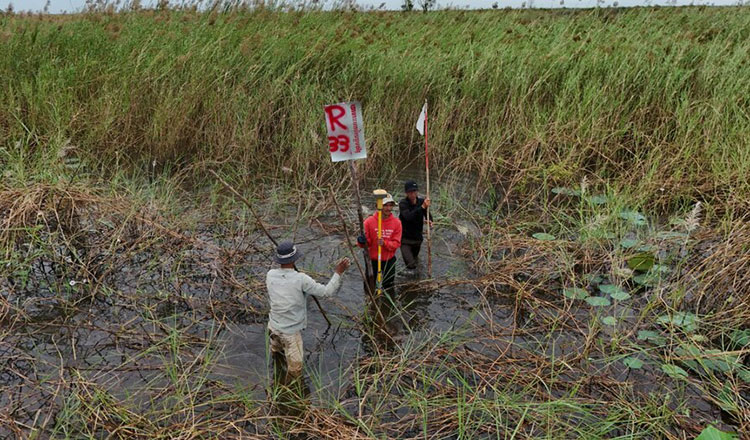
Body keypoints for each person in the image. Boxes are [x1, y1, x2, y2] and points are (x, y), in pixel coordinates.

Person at [266, 241, 350, 386]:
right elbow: (326, 292)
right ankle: (288, 394)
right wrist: (338, 273)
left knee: (276, 354)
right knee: (295, 370)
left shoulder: (270, 274)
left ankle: (275, 382)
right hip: (290, 333)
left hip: (273, 326)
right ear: (294, 259)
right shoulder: (301, 279)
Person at [357, 192, 402, 296]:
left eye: (390, 205)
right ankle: (370, 307)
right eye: (385, 205)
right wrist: (361, 241)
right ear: (378, 206)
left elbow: (396, 244)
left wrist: (385, 243)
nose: (388, 208)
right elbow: (364, 244)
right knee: (369, 288)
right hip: (372, 260)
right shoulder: (369, 222)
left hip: (388, 261)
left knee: (389, 288)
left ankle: (386, 308)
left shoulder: (397, 223)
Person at [398, 180, 432, 274]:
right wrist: (422, 207)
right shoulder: (403, 204)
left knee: (415, 260)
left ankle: (415, 279)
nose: (412, 194)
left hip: (417, 239)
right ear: (406, 193)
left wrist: (430, 221)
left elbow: (427, 213)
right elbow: (408, 217)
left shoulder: (421, 201)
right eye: (410, 192)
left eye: (414, 191)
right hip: (405, 240)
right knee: (411, 265)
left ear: (417, 191)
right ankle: (409, 281)